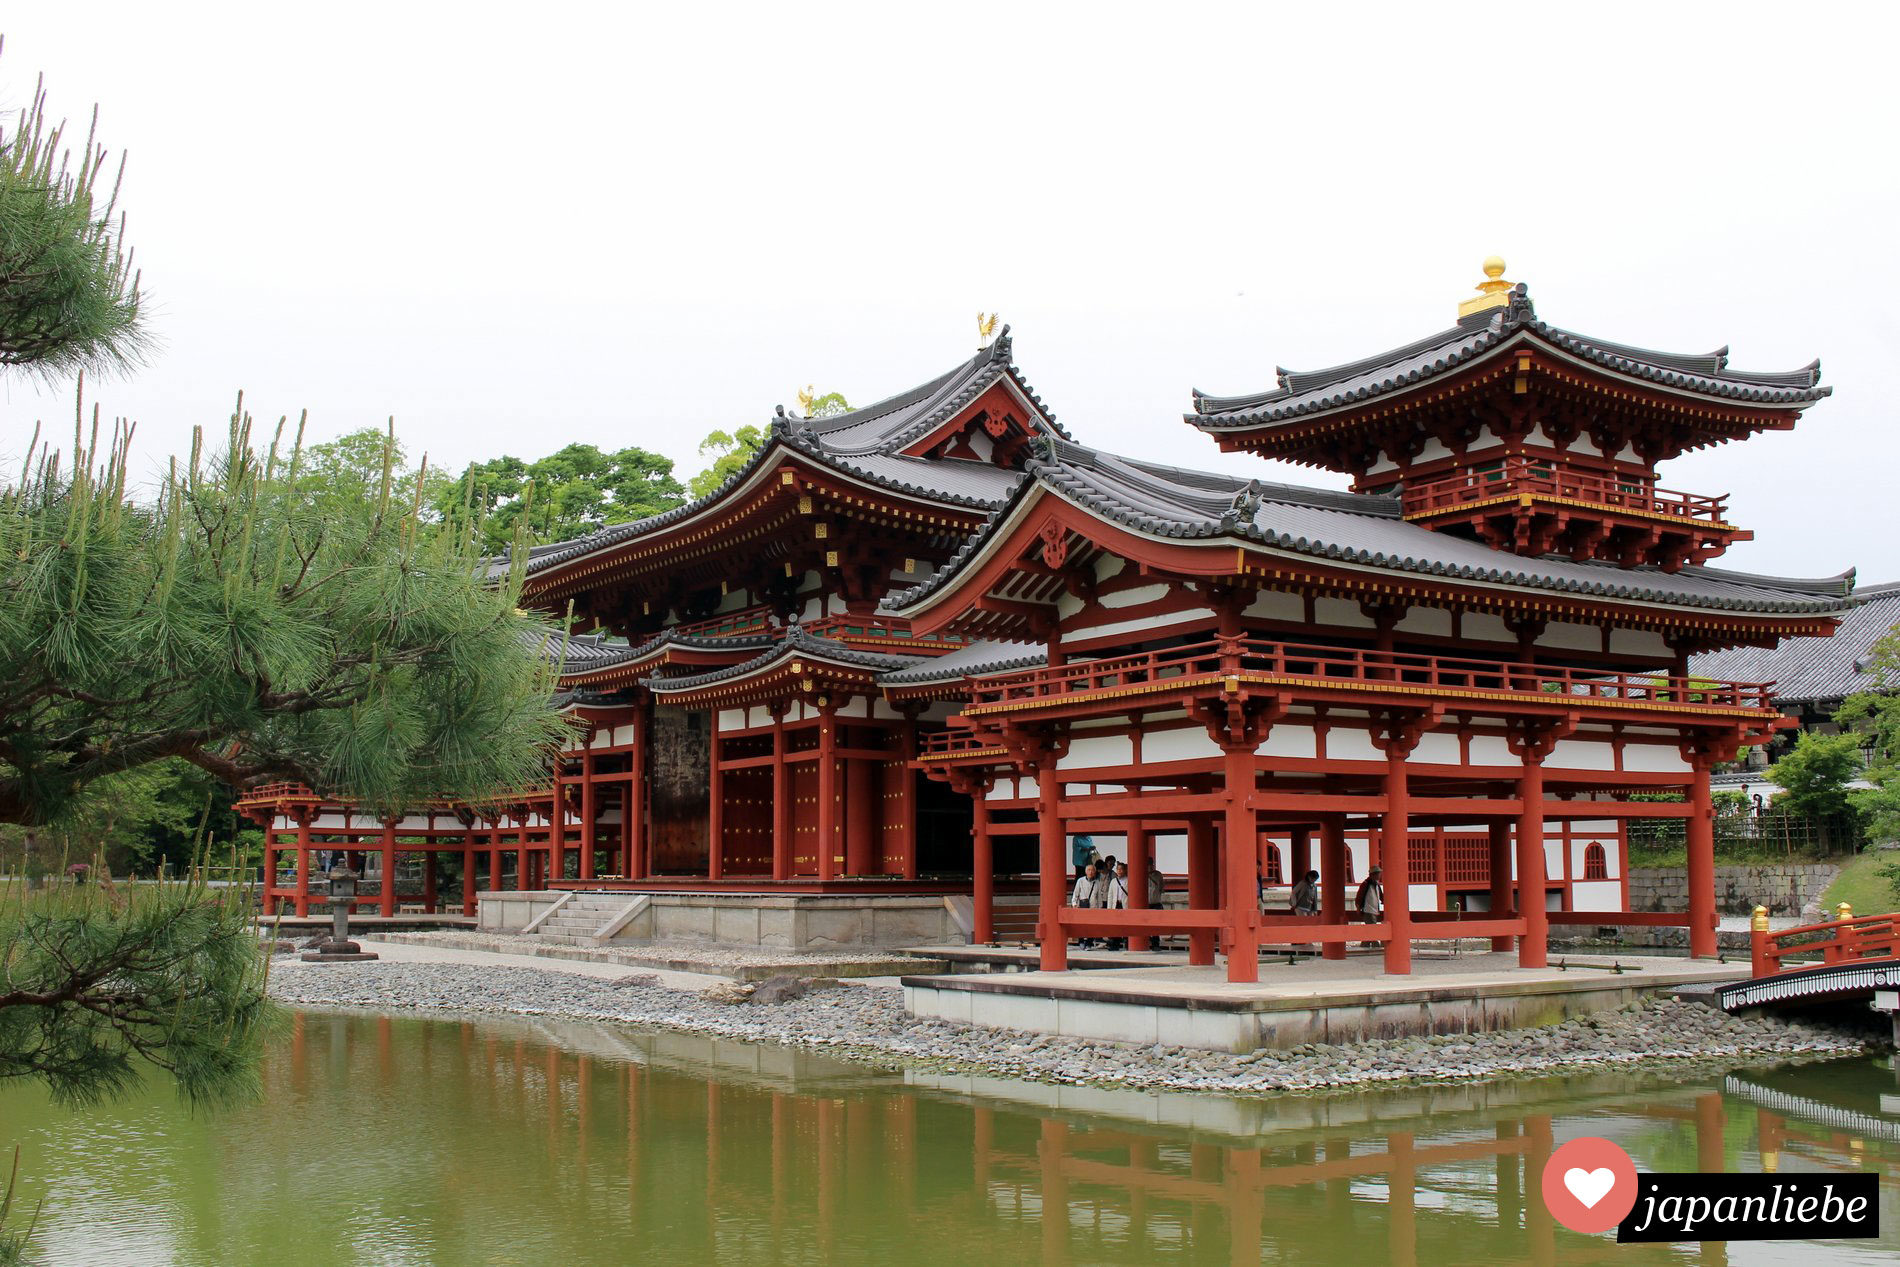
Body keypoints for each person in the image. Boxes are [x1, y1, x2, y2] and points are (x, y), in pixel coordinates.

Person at [1355, 865, 1384, 948]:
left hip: (1374, 910)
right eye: (1378, 874)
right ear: (1373, 874)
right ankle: (1376, 946)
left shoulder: (1376, 884)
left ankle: (1364, 945)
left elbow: (1380, 895)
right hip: (1368, 909)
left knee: (1370, 929)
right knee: (1372, 929)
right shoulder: (1366, 884)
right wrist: (1358, 907)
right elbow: (1359, 897)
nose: (1380, 875)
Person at [1071, 863, 1098, 948]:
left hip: (1093, 907)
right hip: (1082, 905)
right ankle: (1081, 941)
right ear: (1086, 871)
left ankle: (1089, 943)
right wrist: (1074, 904)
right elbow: (1076, 894)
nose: (1091, 872)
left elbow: (1099, 897)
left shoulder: (1097, 882)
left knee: (1092, 926)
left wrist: (1100, 908)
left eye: (1092, 870)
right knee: (1082, 925)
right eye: (1089, 870)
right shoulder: (1080, 881)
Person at [1105, 861, 1130, 950]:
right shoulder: (1113, 881)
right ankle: (1115, 944)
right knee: (1116, 926)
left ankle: (1128, 944)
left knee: (1127, 925)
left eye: (1121, 869)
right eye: (1118, 869)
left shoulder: (1128, 880)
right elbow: (1110, 895)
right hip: (1116, 904)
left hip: (1125, 904)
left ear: (1125, 870)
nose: (1119, 871)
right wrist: (1109, 908)